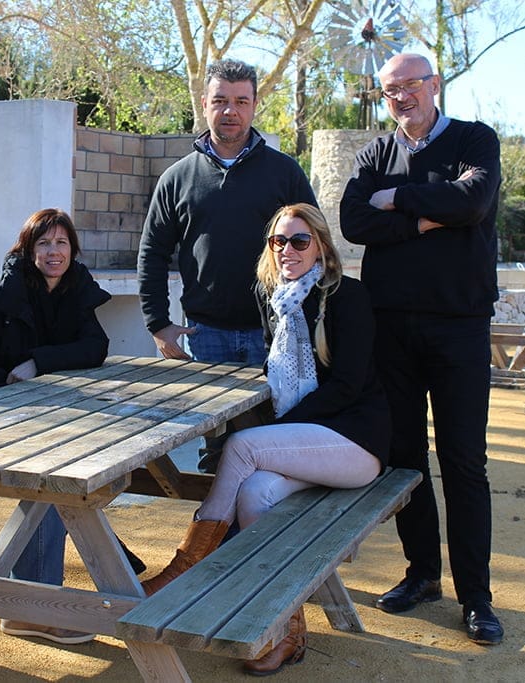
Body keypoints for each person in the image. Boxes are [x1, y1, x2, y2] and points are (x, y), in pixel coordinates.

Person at [139, 203, 390, 675]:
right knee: (254, 495)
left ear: (320, 246)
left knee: (243, 446)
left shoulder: (347, 297)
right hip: (304, 443)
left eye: (299, 240)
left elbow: (347, 385)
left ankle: (189, 562)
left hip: (355, 443)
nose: (287, 250)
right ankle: (286, 631)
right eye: (279, 241)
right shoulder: (275, 296)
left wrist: (277, 429)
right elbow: (273, 373)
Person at [338, 52, 504, 646]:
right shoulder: (374, 154)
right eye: (390, 90)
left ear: (435, 85)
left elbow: (473, 203)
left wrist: (397, 199)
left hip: (459, 326)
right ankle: (422, 575)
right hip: (392, 328)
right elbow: (353, 222)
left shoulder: (475, 140)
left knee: (463, 461)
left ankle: (476, 597)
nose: (402, 96)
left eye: (412, 84)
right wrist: (424, 216)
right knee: (406, 459)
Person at [137, 58, 317, 472]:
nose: (230, 111)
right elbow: (152, 252)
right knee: (217, 453)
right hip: (207, 336)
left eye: (241, 101)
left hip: (274, 333)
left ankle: (270, 536)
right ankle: (218, 535)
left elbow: (313, 245)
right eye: (220, 100)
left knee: (274, 444)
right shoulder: (177, 178)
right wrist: (158, 324)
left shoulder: (284, 171)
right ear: (204, 105)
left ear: (255, 106)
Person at [0, 208, 126, 645]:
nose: (53, 252)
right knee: (58, 479)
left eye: (61, 243)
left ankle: (30, 600)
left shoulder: (74, 290)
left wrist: (39, 363)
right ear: (27, 249)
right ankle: (34, 607)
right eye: (43, 243)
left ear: (72, 250)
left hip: (52, 419)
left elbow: (95, 347)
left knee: (110, 469)